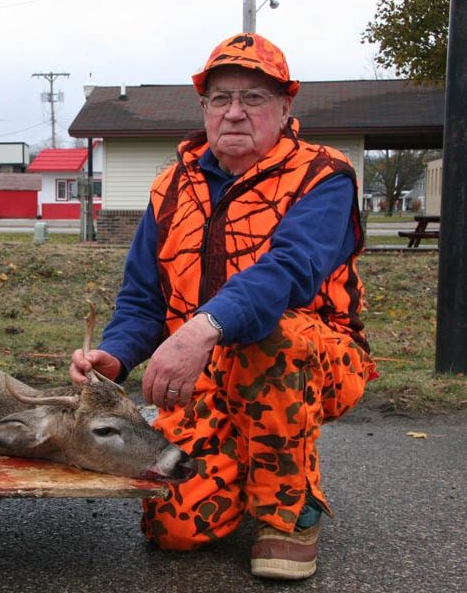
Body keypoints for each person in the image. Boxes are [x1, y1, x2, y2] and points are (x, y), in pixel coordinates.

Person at [70, 33, 375, 581]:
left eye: (253, 97)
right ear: (204, 108)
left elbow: (290, 270)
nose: (235, 112)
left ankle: (289, 512)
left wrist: (202, 327)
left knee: (273, 336)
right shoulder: (170, 188)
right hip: (207, 378)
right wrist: (113, 358)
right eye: (221, 98)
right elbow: (143, 299)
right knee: (172, 529)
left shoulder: (324, 176)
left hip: (316, 360)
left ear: (285, 107)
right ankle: (244, 463)